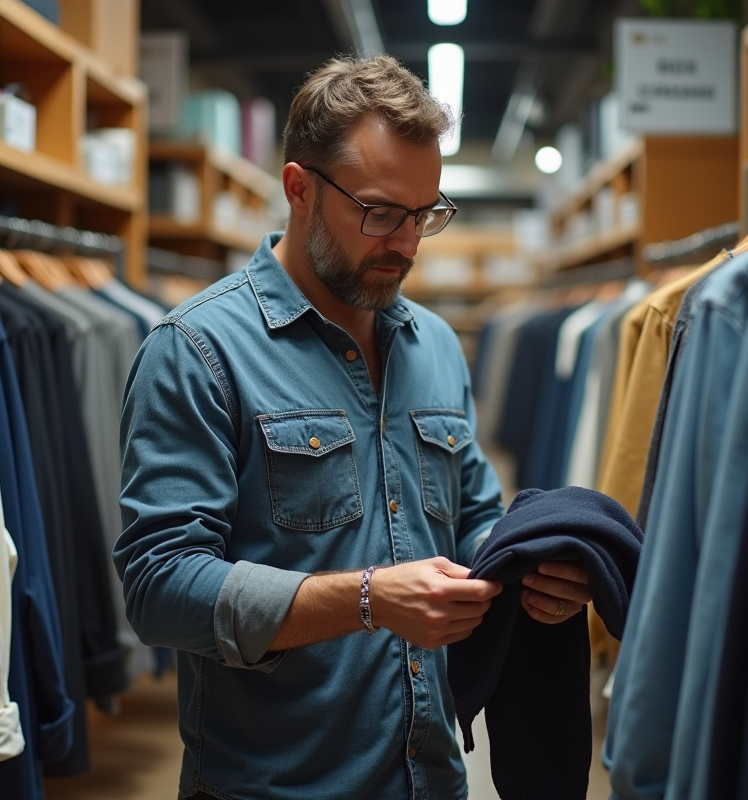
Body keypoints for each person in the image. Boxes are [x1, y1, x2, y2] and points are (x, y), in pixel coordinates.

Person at [115, 54, 592, 800]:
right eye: (378, 212)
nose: (405, 243)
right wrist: (367, 597)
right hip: (276, 785)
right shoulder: (198, 351)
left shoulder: (435, 346)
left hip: (432, 778)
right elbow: (159, 585)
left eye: (425, 213)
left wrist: (526, 576)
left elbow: (471, 516)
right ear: (299, 189)